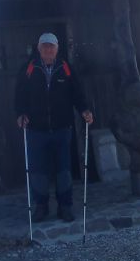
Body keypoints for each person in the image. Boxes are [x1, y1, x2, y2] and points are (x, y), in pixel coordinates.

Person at [15, 32, 93, 222]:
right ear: (39, 48)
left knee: (64, 170)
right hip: (36, 129)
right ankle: (41, 207)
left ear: (57, 48)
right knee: (38, 171)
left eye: (51, 46)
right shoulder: (29, 68)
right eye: (44, 46)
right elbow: (20, 94)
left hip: (62, 128)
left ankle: (64, 206)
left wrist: (84, 110)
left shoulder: (65, 68)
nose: (48, 49)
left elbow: (78, 92)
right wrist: (20, 113)